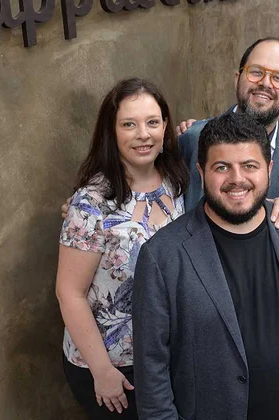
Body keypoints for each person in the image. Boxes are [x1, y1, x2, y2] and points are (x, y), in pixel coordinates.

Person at [132, 112, 279, 419]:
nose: (237, 179)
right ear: (201, 171)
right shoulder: (163, 256)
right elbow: (151, 370)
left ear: (269, 169)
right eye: (222, 167)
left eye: (250, 166)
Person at [55, 78, 189, 419]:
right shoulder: (91, 202)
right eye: (129, 124)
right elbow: (70, 293)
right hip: (113, 367)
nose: (143, 134)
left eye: (152, 122)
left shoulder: (177, 180)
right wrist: (102, 372)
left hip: (163, 356)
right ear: (111, 132)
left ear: (165, 127)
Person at [177, 37, 279, 243]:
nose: (265, 83)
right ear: (237, 78)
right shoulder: (192, 138)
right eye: (256, 72)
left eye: (278, 78)